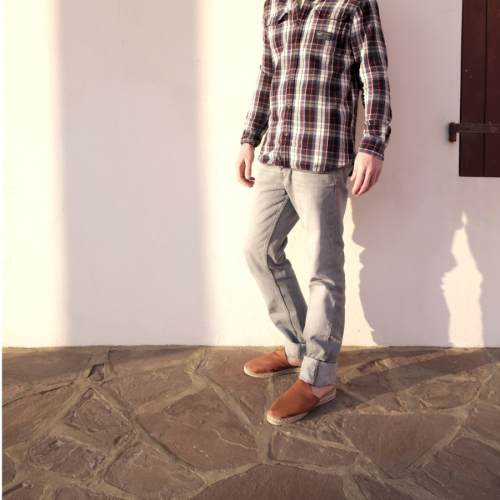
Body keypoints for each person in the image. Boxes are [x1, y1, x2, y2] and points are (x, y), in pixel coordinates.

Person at [234, 0, 392, 425]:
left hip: (323, 159)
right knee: (258, 250)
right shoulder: (275, 4)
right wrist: (249, 137)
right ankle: (297, 347)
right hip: (276, 154)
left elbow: (374, 78)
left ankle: (319, 377)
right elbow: (268, 74)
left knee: (325, 268)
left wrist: (372, 145)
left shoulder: (354, 4)